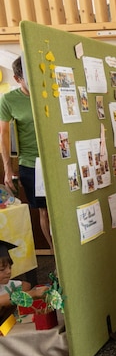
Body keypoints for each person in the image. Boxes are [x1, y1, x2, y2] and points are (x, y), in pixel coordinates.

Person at [0, 57, 53, 251]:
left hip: (58, 161)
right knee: (45, 212)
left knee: (63, 210)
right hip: (32, 164)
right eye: (28, 78)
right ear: (17, 78)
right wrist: (7, 169)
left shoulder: (49, 92)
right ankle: (57, 257)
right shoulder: (8, 100)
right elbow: (3, 135)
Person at [0, 240, 47, 308]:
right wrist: (34, 293)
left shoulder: (3, 284)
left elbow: (26, 285)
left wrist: (15, 295)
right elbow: (2, 301)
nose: (9, 271)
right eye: (2, 269)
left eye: (10, 267)